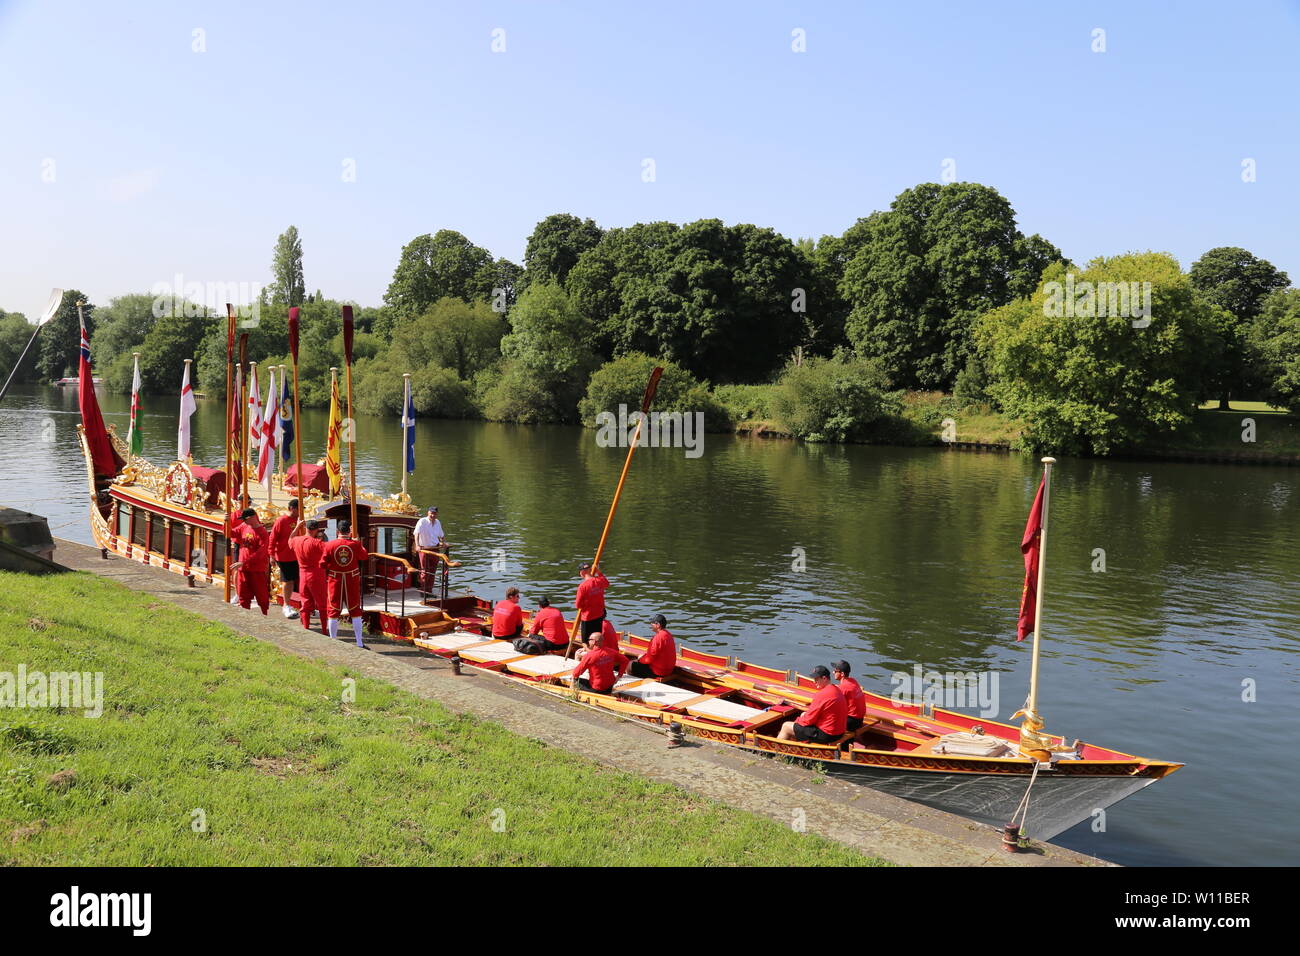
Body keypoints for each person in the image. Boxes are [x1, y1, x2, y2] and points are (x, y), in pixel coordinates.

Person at [322, 518, 370, 649]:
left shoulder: (329, 545)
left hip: (335, 580)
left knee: (333, 610)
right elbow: (364, 556)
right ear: (349, 531)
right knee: (355, 610)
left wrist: (332, 566)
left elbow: (322, 563)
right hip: (351, 579)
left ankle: (332, 641)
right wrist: (358, 541)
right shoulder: (355, 544)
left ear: (337, 531)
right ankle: (359, 643)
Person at [777, 665, 846, 744]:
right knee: (803, 714)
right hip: (840, 732)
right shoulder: (837, 690)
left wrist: (796, 722)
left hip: (828, 735)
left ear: (824, 678)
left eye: (816, 679)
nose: (814, 681)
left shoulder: (822, 694)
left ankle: (775, 751)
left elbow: (809, 720)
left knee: (786, 726)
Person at [289, 520, 328, 635]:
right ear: (316, 530)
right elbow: (331, 550)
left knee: (305, 602)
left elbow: (289, 540)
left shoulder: (296, 540)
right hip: (316, 575)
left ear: (306, 528)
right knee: (322, 604)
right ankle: (325, 630)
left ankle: (306, 627)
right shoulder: (317, 543)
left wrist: (297, 527)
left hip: (303, 575)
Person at [230, 508, 271, 615]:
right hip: (243, 569)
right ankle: (245, 618)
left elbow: (260, 553)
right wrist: (225, 522)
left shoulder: (262, 533)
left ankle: (265, 616)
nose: (243, 521)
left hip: (256, 570)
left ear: (252, 517)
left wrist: (244, 562)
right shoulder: (244, 526)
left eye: (245, 519)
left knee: (261, 596)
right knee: (243, 596)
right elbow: (231, 533)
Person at [269, 499, 300, 619]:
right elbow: (272, 538)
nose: (300, 512)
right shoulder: (281, 521)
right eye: (299, 509)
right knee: (287, 581)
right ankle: (286, 605)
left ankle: (292, 604)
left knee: (293, 580)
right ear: (292, 508)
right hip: (284, 556)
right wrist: (271, 555)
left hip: (297, 555)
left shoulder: (299, 520)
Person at [629, 614, 676, 679]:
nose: (651, 624)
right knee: (640, 658)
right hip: (669, 670)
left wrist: (639, 660)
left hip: (658, 672)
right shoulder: (669, 635)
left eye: (652, 623)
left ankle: (633, 681)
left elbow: (648, 659)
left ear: (658, 625)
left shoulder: (657, 638)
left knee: (629, 664)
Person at [413, 505, 447, 592]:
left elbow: (441, 535)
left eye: (435, 514)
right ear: (428, 513)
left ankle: (429, 591)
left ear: (437, 514)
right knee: (425, 571)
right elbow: (416, 533)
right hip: (424, 549)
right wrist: (417, 545)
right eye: (431, 513)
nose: (433, 515)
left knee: (432, 571)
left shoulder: (437, 522)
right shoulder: (422, 521)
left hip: (435, 549)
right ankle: (423, 590)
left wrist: (444, 542)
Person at [574, 563, 609, 646]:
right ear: (590, 570)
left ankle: (589, 656)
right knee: (597, 639)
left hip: (588, 617)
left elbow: (578, 605)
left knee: (585, 642)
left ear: (581, 572)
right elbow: (607, 584)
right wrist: (599, 572)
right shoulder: (599, 581)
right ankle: (597, 651)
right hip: (599, 615)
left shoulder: (582, 586)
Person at [833, 660, 867, 732]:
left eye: (835, 671)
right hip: (860, 720)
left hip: (851, 723)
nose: (833, 672)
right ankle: (848, 742)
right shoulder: (853, 680)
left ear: (842, 673)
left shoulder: (843, 688)